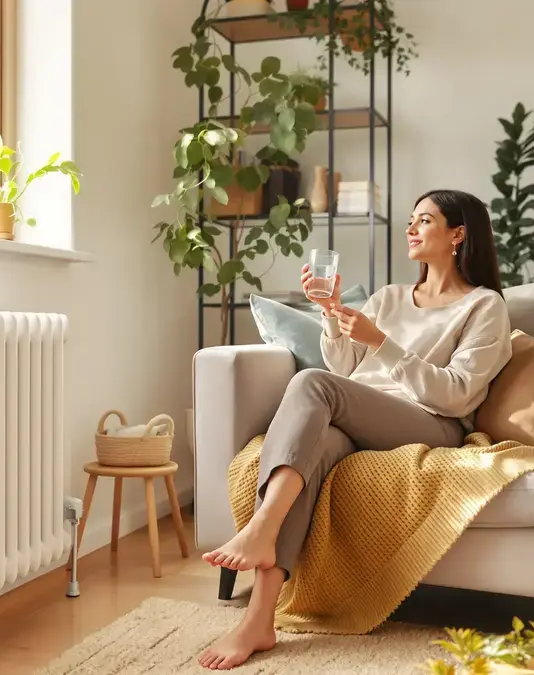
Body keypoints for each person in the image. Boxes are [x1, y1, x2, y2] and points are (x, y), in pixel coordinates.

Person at [196, 189, 513, 671]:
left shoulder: (484, 306)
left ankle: (261, 528)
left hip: (429, 422)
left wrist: (381, 342)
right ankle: (259, 619)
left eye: (424, 220)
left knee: (311, 383)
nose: (410, 228)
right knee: (317, 449)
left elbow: (455, 394)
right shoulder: (389, 297)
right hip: (361, 414)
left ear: (458, 234)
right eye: (410, 219)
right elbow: (344, 370)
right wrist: (329, 312)